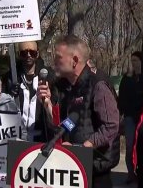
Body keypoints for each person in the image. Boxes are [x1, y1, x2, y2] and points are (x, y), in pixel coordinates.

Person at [37, 35, 120, 188]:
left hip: (96, 169)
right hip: (72, 166)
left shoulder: (98, 83)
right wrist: (47, 103)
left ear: (74, 60)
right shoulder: (64, 85)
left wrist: (82, 149)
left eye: (58, 57)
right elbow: (64, 124)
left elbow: (111, 126)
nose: (53, 61)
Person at [6, 41, 55, 142]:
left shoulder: (49, 77)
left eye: (32, 53)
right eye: (24, 53)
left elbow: (55, 109)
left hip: (41, 137)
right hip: (17, 137)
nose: (28, 56)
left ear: (37, 54)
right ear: (19, 55)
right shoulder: (11, 77)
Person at [118, 51, 143, 184]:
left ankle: (141, 172)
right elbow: (121, 98)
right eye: (132, 60)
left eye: (136, 60)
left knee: (141, 146)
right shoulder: (127, 79)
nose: (134, 63)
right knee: (130, 146)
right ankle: (130, 173)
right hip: (129, 117)